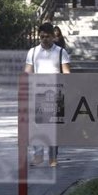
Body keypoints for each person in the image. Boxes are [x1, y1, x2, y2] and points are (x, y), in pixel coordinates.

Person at [24, 22, 71, 167]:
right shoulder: (32, 52)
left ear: (53, 37)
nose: (44, 39)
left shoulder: (61, 52)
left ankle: (53, 158)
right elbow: (27, 72)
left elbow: (67, 73)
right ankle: (38, 156)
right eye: (42, 36)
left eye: (47, 36)